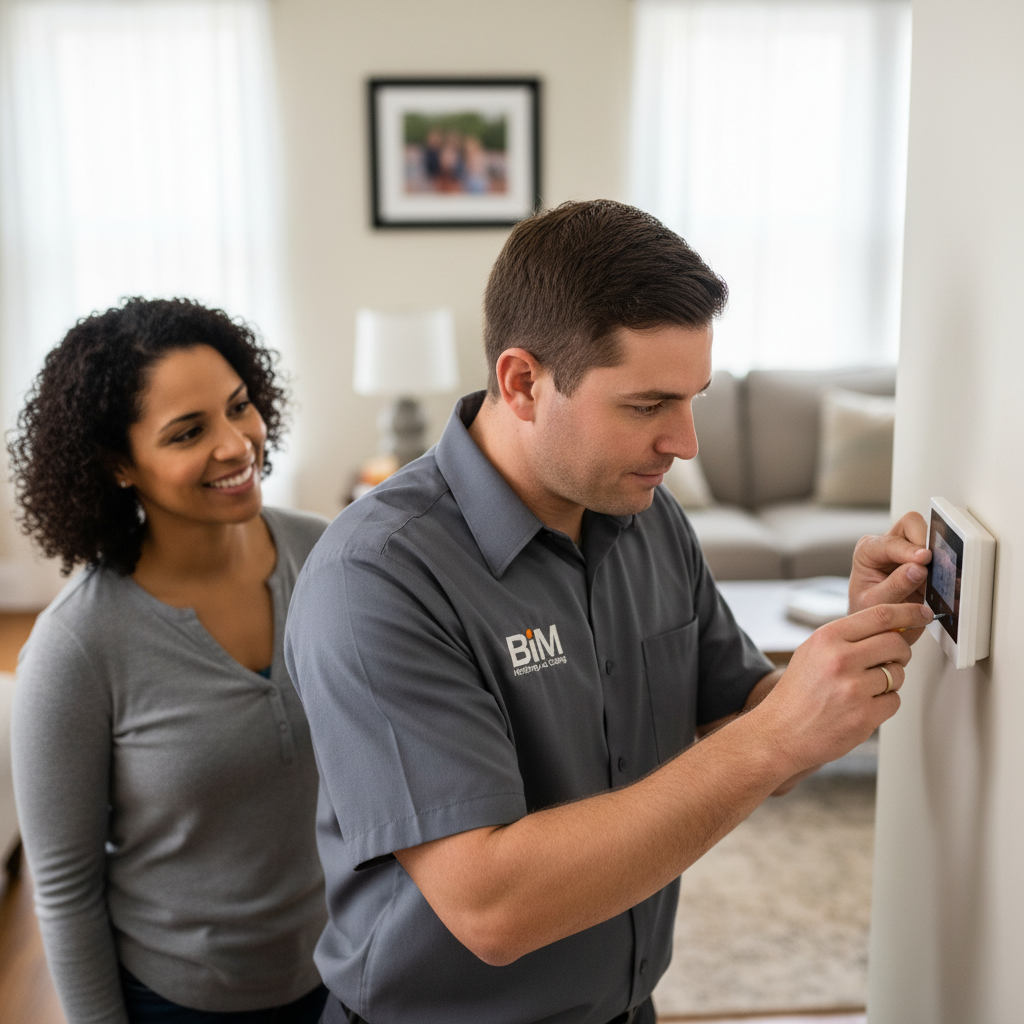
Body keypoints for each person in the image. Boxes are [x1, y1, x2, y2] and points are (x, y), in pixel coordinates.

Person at [284, 201, 933, 1024]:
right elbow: (493, 907)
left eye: (693, 398)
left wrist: (840, 654)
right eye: (646, 404)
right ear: (523, 382)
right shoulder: (375, 578)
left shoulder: (649, 518)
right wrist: (774, 736)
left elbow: (755, 732)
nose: (687, 443)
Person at [9, 298, 330, 1024]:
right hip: (179, 1002)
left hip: (347, 971)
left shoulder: (329, 557)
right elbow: (63, 887)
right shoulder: (76, 647)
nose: (236, 443)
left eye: (239, 406)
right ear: (120, 464)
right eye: (189, 432)